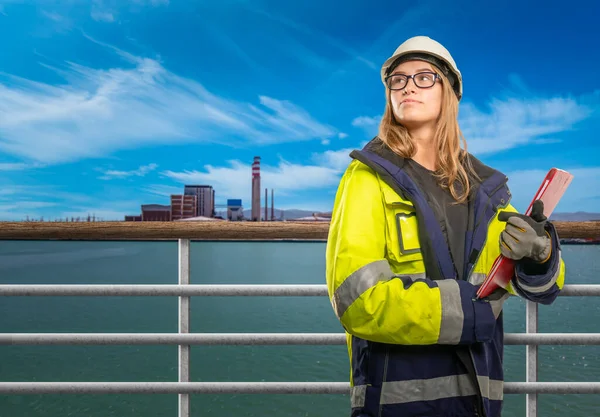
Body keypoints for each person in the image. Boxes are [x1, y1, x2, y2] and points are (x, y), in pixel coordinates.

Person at [325, 35, 565, 417]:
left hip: (478, 400)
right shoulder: (367, 177)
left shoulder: (482, 189)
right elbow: (356, 301)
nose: (407, 87)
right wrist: (470, 312)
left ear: (449, 91)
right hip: (394, 403)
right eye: (398, 80)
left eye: (424, 77)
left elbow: (542, 283)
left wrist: (540, 253)